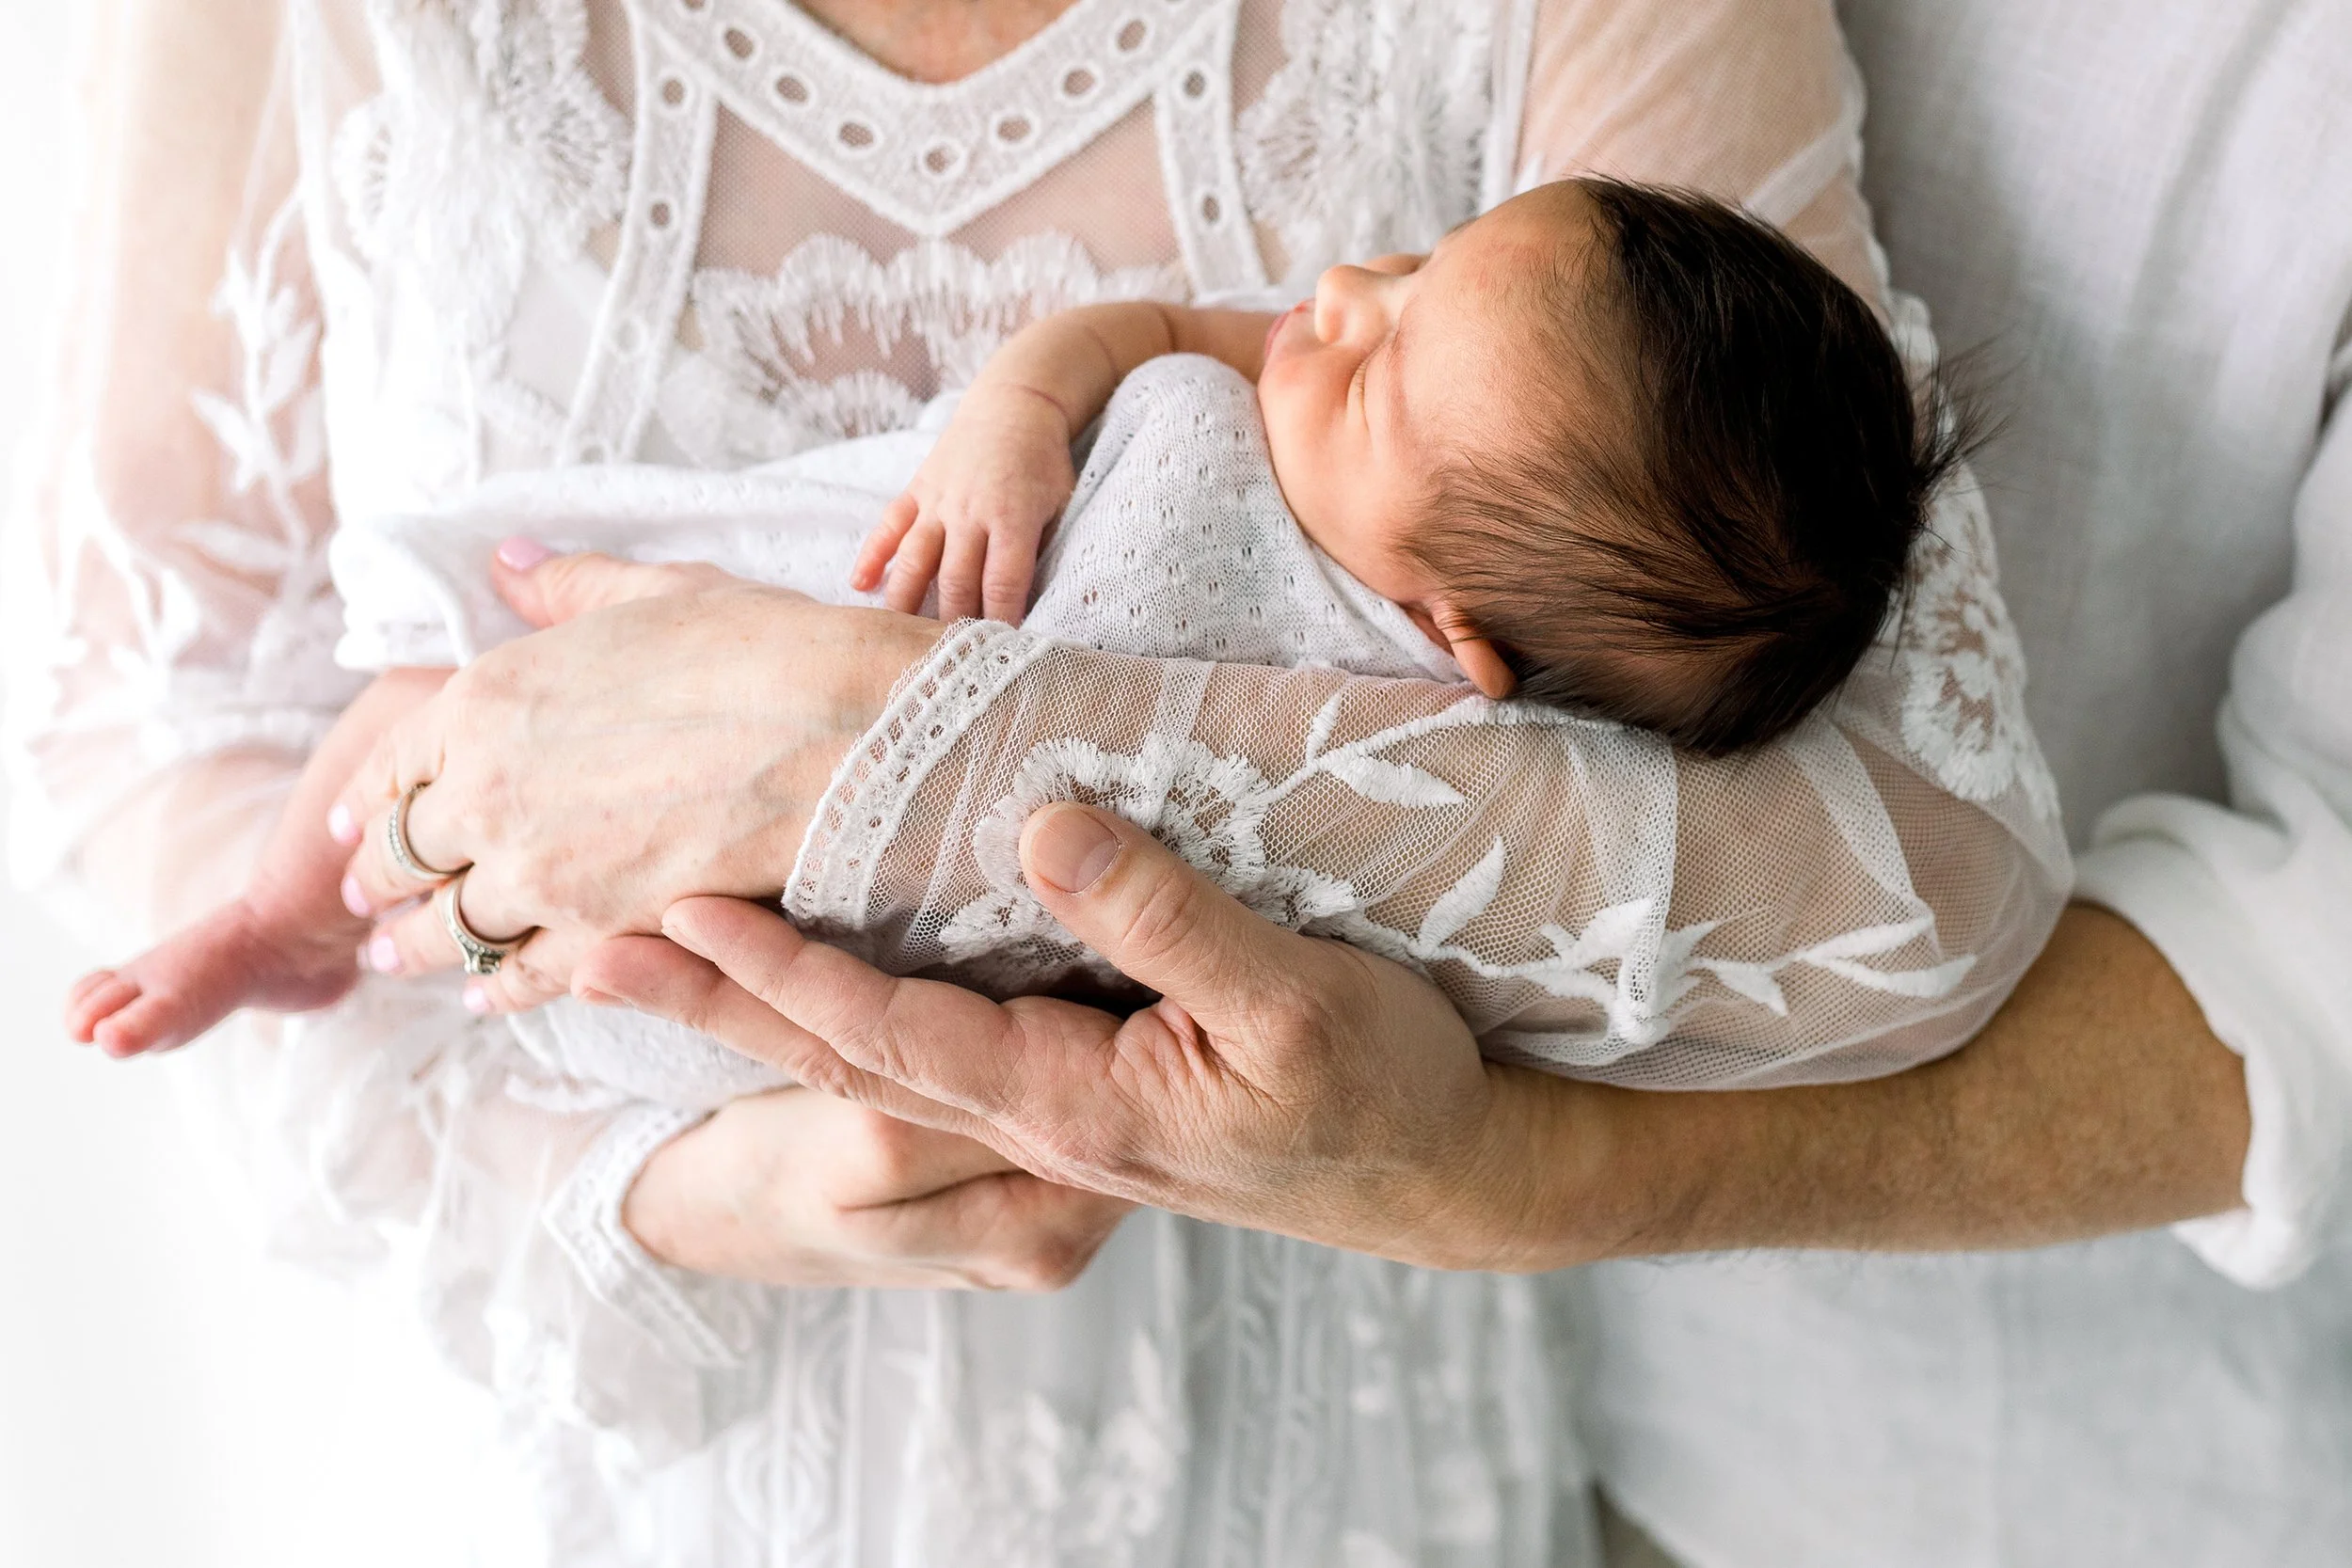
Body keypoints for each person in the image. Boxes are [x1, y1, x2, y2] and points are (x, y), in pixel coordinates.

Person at [5, 0, 2074, 1561]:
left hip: (1312, 1464)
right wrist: (678, 1201)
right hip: (638, 1452)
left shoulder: (1621, 300)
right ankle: (317, 941)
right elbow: (130, 712)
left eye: (1389, 332)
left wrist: (873, 743)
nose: (1339, 306)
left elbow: (1908, 877)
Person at [71, 176, 1947, 1067]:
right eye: (1413, 264)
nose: (1336, 292)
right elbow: (1130, 326)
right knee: (437, 694)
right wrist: (1012, 419)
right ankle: (272, 913)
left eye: (1383, 362)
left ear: (1451, 634)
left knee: (649, 972)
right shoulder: (1263, 389)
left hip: (869, 911)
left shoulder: (1385, 718)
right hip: (818, 583)